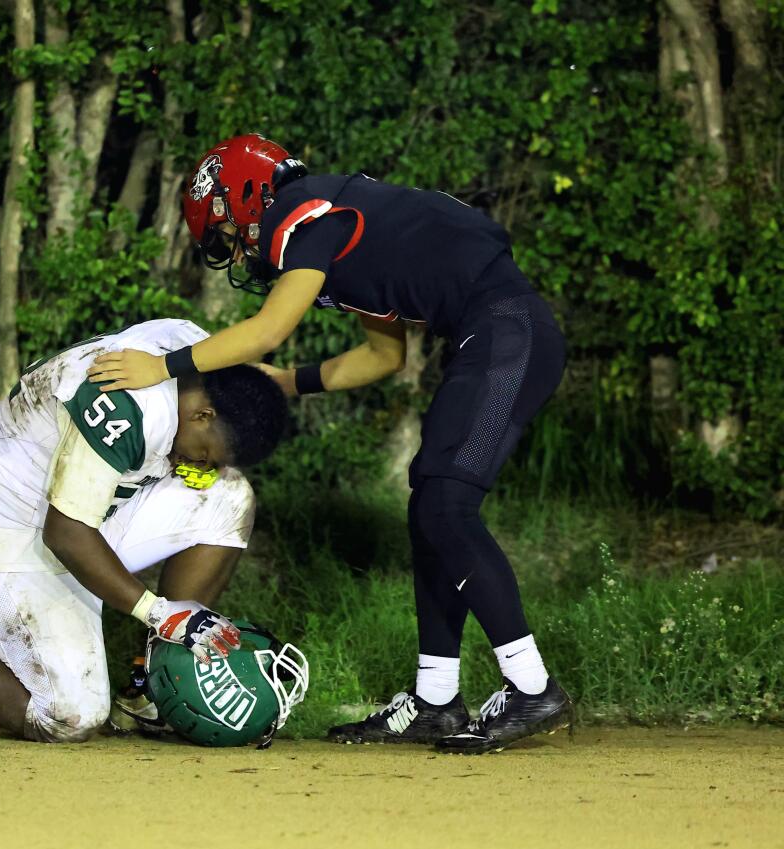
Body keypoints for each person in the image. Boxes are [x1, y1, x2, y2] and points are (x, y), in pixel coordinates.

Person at [86, 134, 571, 754]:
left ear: (249, 197)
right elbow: (384, 355)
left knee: (444, 507)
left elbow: (268, 329)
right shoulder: (341, 225)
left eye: (229, 234)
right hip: (496, 332)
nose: (235, 251)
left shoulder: (303, 214)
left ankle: (531, 687)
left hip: (507, 329)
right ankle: (436, 698)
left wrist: (164, 368)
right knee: (432, 510)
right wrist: (291, 382)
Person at [0, 318, 288, 743]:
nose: (201, 464)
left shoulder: (201, 355)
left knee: (228, 496)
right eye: (206, 452)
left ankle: (148, 686)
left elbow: (260, 382)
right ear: (203, 415)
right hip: (3, 529)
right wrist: (157, 612)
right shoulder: (128, 407)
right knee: (70, 716)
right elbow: (65, 534)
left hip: (82, 510)